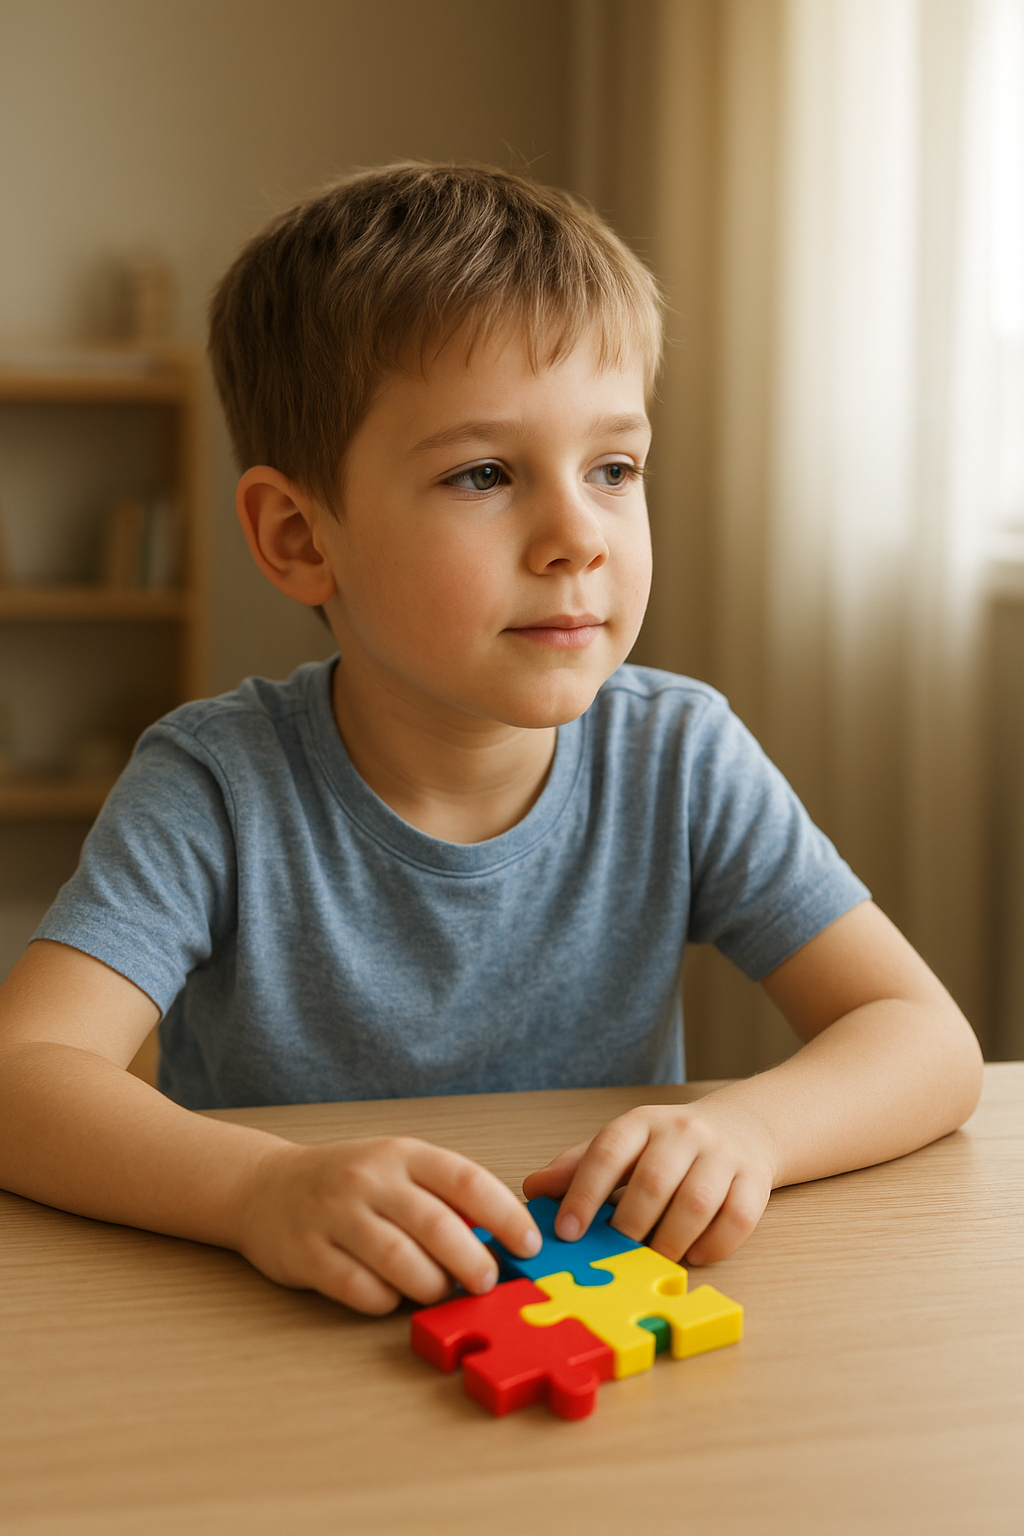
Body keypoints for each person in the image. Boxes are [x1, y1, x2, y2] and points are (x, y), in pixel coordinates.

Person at [0, 164, 982, 1317]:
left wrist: (749, 1131)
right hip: (287, 1330)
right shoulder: (215, 784)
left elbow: (924, 1039)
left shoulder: (679, 755)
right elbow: (25, 1077)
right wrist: (258, 1189)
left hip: (587, 1327)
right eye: (483, 474)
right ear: (300, 536)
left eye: (613, 468)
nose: (578, 535)